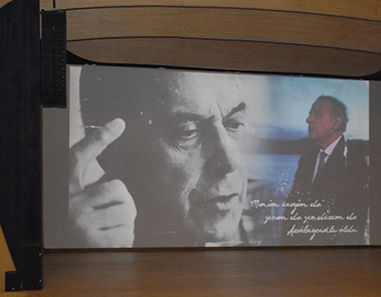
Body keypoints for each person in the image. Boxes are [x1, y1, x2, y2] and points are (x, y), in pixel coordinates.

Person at [70, 66, 250, 247]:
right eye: (188, 132)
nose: (230, 162)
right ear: (112, 152)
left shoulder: (266, 220)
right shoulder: (79, 235)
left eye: (234, 124)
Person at [284, 95, 369, 245]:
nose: (308, 119)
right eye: (310, 114)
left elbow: (353, 222)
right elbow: (291, 209)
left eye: (317, 114)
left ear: (336, 122)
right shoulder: (307, 160)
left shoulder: (355, 160)